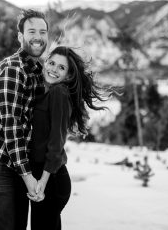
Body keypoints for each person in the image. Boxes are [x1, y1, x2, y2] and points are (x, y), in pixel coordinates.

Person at [0, 9, 49, 230]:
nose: (38, 36)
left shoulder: (37, 70)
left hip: (19, 161)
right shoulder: (13, 69)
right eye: (31, 31)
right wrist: (28, 176)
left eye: (43, 31)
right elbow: (12, 125)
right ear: (20, 37)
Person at [28, 46, 111, 230]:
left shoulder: (59, 93)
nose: (53, 69)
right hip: (46, 178)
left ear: (68, 75)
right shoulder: (48, 93)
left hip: (50, 180)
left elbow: (56, 142)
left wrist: (42, 181)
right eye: (51, 63)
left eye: (61, 68)